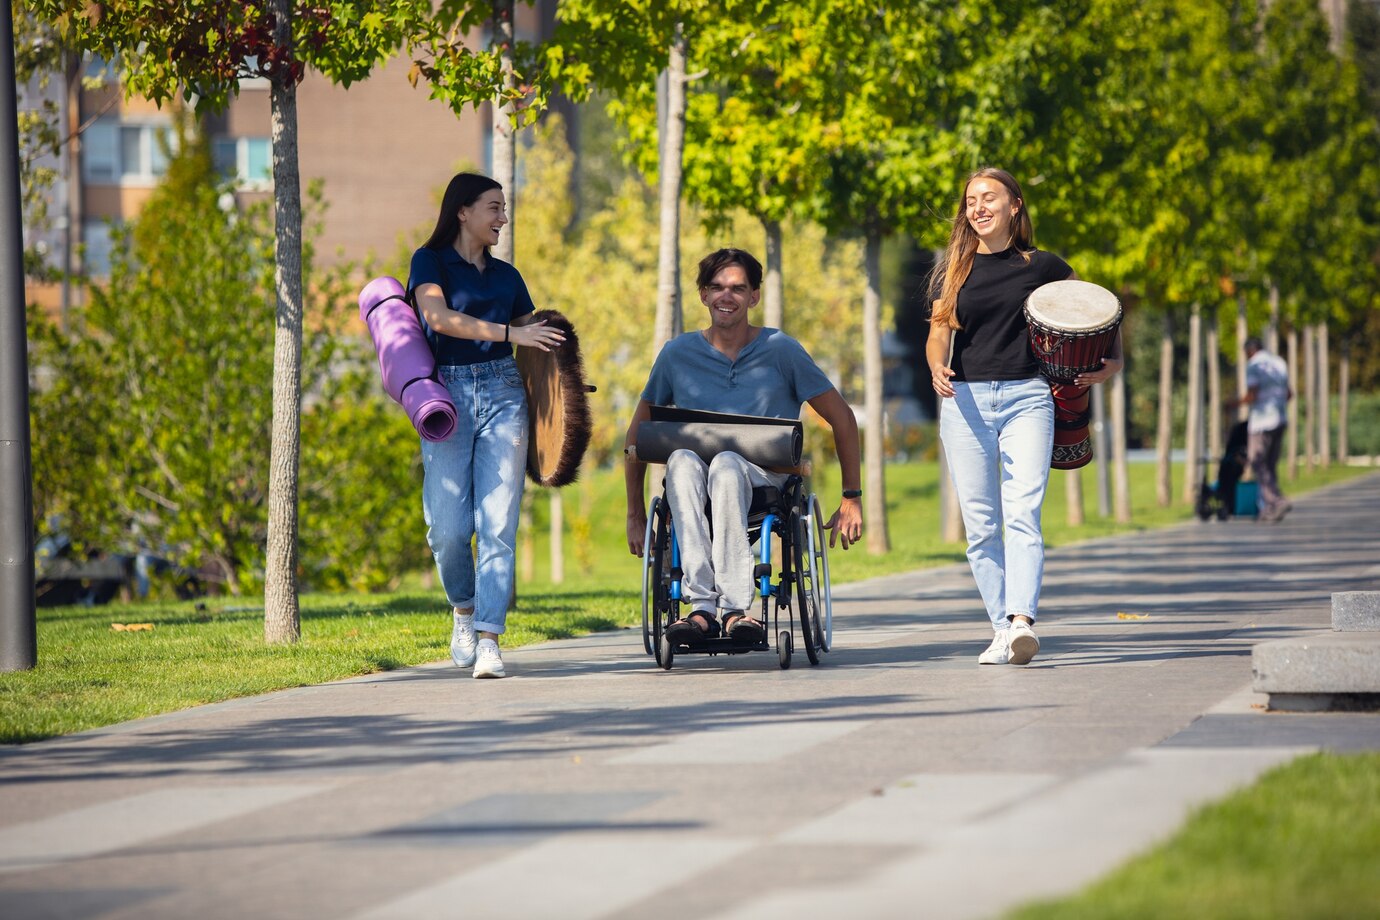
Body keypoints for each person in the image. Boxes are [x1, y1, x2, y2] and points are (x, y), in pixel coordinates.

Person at [925, 167, 1122, 666]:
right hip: (964, 403)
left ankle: (1021, 621)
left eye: (989, 197)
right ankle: (999, 628)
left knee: (1022, 512)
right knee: (981, 525)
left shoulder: (1044, 265)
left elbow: (1097, 311)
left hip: (1028, 398)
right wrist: (934, 365)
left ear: (1015, 205)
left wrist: (1112, 363)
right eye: (971, 200)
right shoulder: (955, 268)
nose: (978, 207)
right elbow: (938, 331)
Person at [624, 248, 864, 647]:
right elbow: (636, 438)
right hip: (694, 480)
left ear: (754, 296)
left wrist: (851, 496)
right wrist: (634, 515)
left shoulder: (781, 349)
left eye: (738, 288)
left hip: (761, 478)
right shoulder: (676, 354)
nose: (726, 296)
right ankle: (701, 606)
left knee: (727, 463)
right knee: (681, 460)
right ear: (702, 295)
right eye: (716, 287)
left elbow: (842, 418)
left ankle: (737, 608)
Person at [409, 172, 565, 679]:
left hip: (504, 393)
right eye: (494, 207)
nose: (503, 217)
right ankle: (464, 608)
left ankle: (491, 640)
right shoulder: (429, 262)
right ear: (463, 211)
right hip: (447, 395)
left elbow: (534, 343)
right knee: (448, 529)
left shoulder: (508, 277)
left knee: (497, 525)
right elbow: (437, 318)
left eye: (504, 208)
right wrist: (507, 331)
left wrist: (560, 398)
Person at [1233, 337, 1292, 522]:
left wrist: (1233, 404)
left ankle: (1276, 500)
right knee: (1270, 464)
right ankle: (1268, 508)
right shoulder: (1279, 362)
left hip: (1262, 422)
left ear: (1250, 350)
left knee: (1257, 461)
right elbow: (1289, 393)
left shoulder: (1254, 365)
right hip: (1280, 418)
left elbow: (1252, 394)